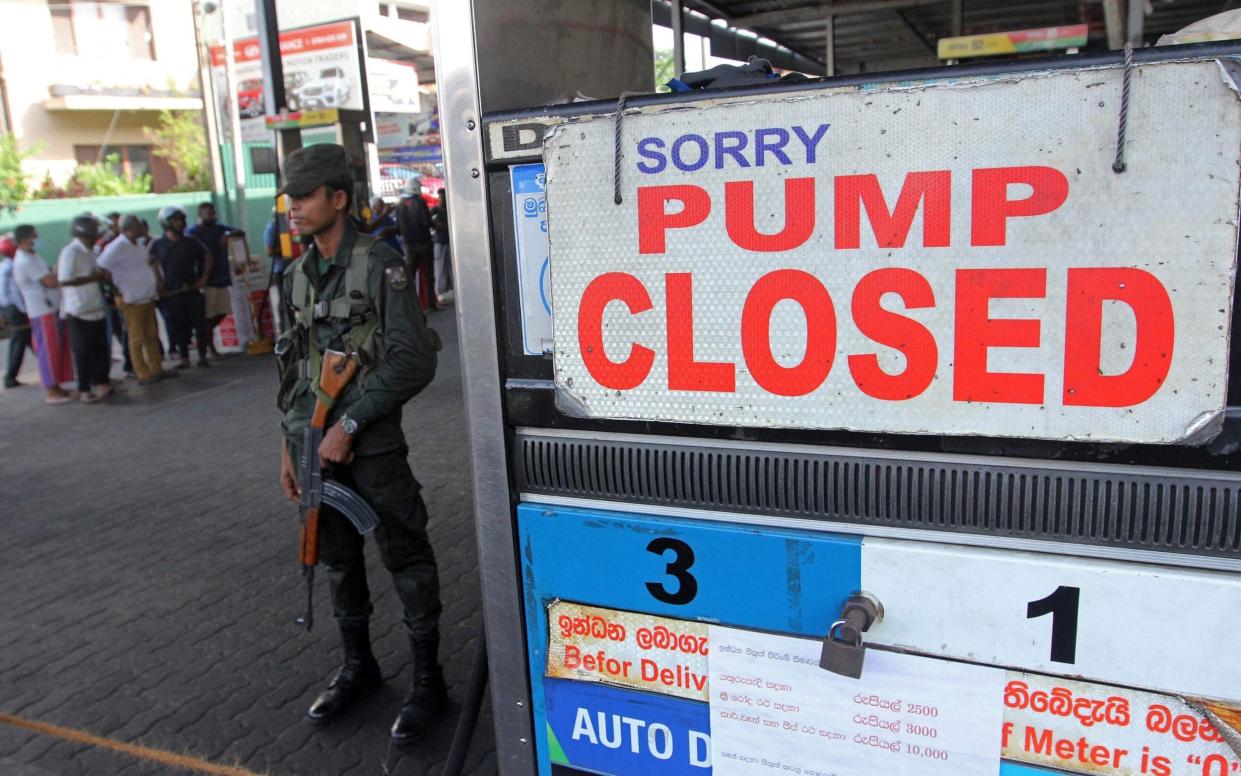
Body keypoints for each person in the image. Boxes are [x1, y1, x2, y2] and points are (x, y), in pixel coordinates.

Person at [275, 144, 445, 743]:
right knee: (336, 560)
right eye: (289, 198)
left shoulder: (380, 264)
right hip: (311, 446)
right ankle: (359, 666)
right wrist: (290, 447)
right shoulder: (295, 275)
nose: (292, 207)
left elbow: (413, 360)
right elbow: (293, 371)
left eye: (304, 196)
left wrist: (351, 425)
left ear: (338, 198)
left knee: (405, 554)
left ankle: (429, 680)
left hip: (369, 450)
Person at [99, 216, 174, 385]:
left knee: (151, 334)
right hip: (130, 298)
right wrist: (114, 288)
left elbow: (146, 262)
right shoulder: (116, 247)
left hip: (145, 296)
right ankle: (141, 372)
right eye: (139, 226)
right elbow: (101, 268)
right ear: (130, 228)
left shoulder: (137, 243)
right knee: (136, 337)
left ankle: (156, 368)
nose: (142, 228)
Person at [11, 225, 74, 403]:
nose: (38, 239)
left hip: (50, 308)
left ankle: (58, 386)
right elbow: (50, 281)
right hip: (42, 311)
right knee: (49, 350)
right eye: (35, 236)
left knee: (58, 348)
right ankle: (51, 390)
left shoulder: (32, 256)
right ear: (25, 239)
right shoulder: (25, 260)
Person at [57, 215, 114, 402]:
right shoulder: (70, 252)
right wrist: (92, 278)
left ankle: (102, 383)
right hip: (78, 310)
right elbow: (64, 280)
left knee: (101, 348)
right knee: (83, 351)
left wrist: (101, 277)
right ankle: (84, 389)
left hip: (95, 306)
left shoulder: (90, 251)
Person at [150, 205, 212, 369]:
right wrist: (158, 282)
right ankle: (184, 357)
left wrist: (203, 277)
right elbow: (150, 262)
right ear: (166, 222)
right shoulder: (158, 244)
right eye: (177, 220)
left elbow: (207, 256)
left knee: (200, 324)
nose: (181, 223)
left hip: (192, 289)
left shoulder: (191, 241)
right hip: (172, 292)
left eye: (182, 219)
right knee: (179, 326)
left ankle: (202, 356)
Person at [186, 202, 243, 358]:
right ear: (200, 214)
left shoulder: (219, 228)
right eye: (208, 214)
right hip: (206, 280)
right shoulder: (193, 232)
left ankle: (205, 335)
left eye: (213, 213)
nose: (212, 216)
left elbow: (240, 231)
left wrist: (228, 235)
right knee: (208, 314)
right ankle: (208, 346)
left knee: (223, 311)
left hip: (221, 277)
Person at [95, 211, 133, 378]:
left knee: (128, 330)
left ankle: (131, 364)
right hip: (112, 295)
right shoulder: (104, 244)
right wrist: (113, 287)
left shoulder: (127, 242)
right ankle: (126, 368)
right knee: (117, 331)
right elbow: (101, 270)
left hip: (129, 291)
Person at [396, 177, 437, 311]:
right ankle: (431, 304)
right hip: (424, 243)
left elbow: (398, 226)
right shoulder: (420, 202)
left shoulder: (400, 204)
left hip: (409, 245)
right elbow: (426, 222)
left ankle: (410, 307)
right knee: (428, 275)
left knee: (410, 276)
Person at [0, 234, 32, 388]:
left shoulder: (13, 264)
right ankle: (10, 377)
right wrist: (6, 312)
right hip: (15, 309)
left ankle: (53, 370)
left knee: (31, 339)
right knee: (20, 340)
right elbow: (4, 294)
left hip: (19, 308)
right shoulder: (7, 267)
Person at [430, 189, 451, 305]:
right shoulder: (434, 210)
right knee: (439, 267)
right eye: (440, 197)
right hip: (439, 241)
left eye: (443, 197)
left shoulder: (448, 209)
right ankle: (439, 292)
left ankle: (444, 289)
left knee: (447, 267)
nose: (441, 199)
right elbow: (428, 222)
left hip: (447, 241)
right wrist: (438, 226)